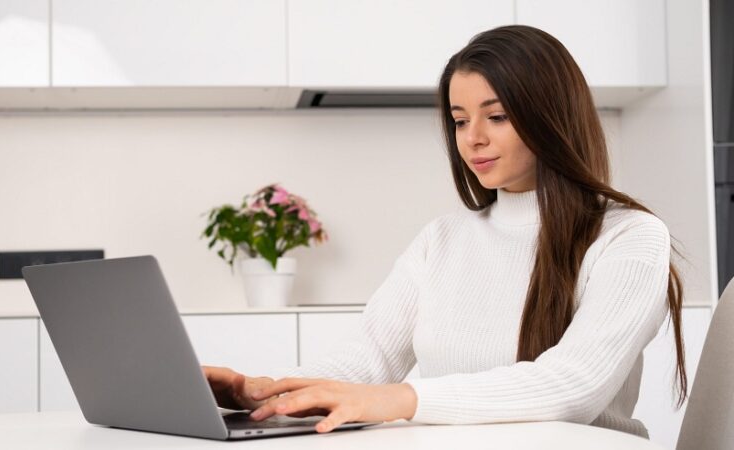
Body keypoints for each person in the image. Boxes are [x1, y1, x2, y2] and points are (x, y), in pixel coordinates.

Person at [204, 24, 688, 438]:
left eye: (496, 116)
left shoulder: (629, 236)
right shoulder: (442, 240)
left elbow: (572, 386)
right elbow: (369, 359)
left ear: (551, 118)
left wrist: (402, 400)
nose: (472, 138)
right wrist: (265, 393)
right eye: (460, 120)